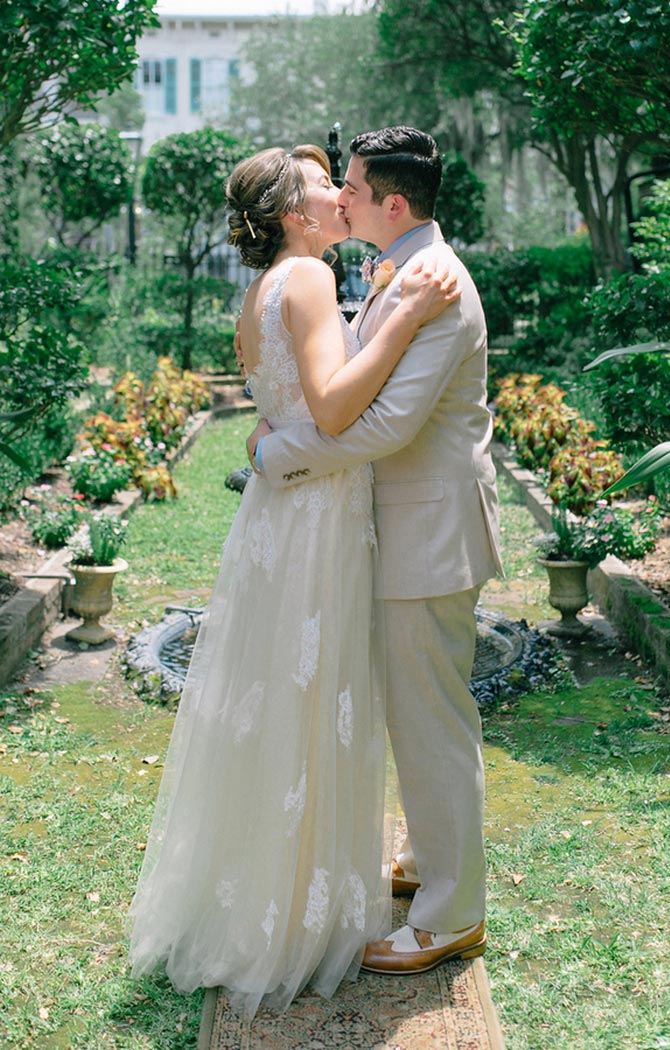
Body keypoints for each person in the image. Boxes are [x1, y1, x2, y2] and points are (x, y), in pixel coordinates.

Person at [127, 142, 458, 1017]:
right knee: (310, 701)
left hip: (286, 516)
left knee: (278, 702)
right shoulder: (307, 279)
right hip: (314, 520)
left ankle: (264, 885)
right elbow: (337, 405)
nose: (340, 196)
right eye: (324, 186)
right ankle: (298, 908)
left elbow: (287, 410)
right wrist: (401, 316)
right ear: (293, 214)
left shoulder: (267, 288)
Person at [246, 126, 504, 975]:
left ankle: (451, 914)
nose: (342, 195)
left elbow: (388, 423)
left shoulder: (439, 281)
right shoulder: (396, 270)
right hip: (397, 526)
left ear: (394, 203)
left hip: (430, 533)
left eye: (353, 186)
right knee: (414, 714)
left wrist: (278, 454)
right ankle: (434, 866)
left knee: (431, 722)